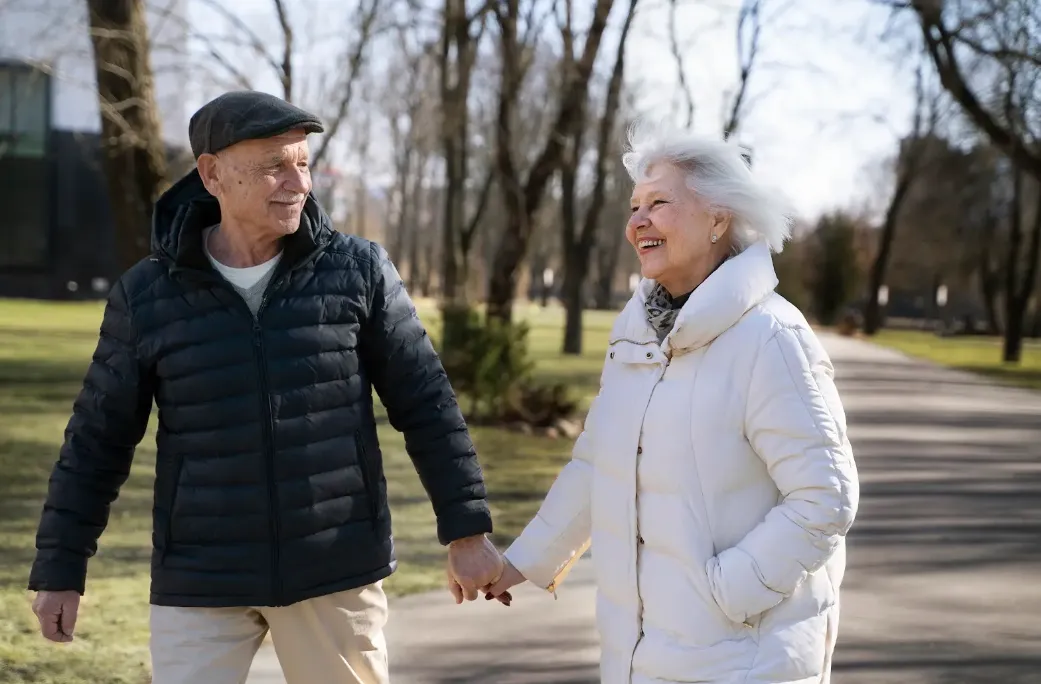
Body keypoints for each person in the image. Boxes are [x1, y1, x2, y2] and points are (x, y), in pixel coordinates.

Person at [27, 91, 503, 684]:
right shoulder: (148, 294)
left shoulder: (359, 270)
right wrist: (60, 566)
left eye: (302, 162)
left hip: (333, 569)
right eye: (274, 165)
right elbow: (96, 439)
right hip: (200, 575)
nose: (296, 182)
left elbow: (428, 403)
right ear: (212, 173)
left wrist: (467, 530)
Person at [484, 126, 860, 684]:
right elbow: (598, 465)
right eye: (634, 206)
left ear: (718, 219)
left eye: (659, 203)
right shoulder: (635, 335)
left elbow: (826, 496)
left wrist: (725, 591)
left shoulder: (771, 337)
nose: (638, 221)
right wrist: (523, 559)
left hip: (744, 660)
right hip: (641, 656)